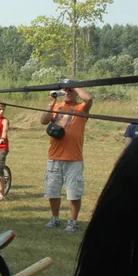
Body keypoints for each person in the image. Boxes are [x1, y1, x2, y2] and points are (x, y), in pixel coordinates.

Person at [39, 80, 93, 232]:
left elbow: (88, 98)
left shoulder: (81, 108)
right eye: (65, 90)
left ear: (76, 91)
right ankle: (55, 218)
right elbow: (43, 121)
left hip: (73, 158)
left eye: (70, 90)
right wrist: (51, 102)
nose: (67, 93)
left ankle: (73, 221)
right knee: (52, 190)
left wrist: (74, 85)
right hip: (54, 156)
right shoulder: (56, 107)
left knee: (74, 192)